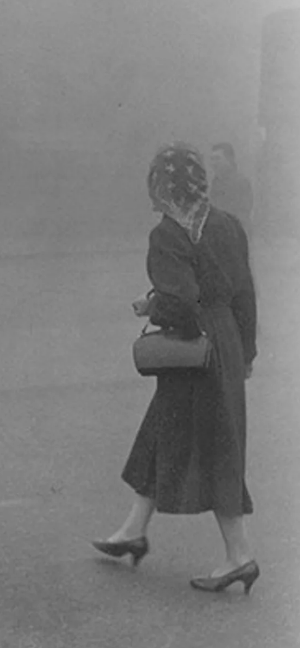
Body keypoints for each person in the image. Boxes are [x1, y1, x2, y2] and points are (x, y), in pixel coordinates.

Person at [93, 143, 259, 593]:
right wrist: (246, 353)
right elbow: (245, 294)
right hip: (224, 340)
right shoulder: (228, 225)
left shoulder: (167, 234)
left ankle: (239, 556)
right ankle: (132, 531)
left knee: (213, 444)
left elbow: (182, 303)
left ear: (161, 189)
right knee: (165, 431)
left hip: (195, 350)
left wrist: (153, 306)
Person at [209, 142, 254, 236]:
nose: (213, 163)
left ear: (229, 160)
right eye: (212, 159)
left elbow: (243, 212)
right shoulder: (215, 182)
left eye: (217, 158)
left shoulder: (240, 182)